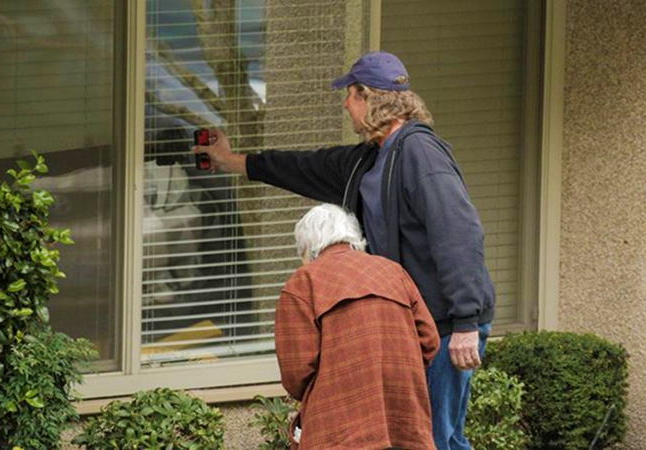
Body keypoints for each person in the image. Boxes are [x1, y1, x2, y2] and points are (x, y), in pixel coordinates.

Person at [194, 51, 496, 449]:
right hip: (413, 324)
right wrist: (229, 161)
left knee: (436, 438)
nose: (345, 104)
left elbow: (458, 233)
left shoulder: (421, 154)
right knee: (423, 437)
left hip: (443, 324)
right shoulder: (369, 160)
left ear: (369, 97)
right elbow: (302, 167)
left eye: (350, 95)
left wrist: (465, 324)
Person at [275, 204, 440, 449]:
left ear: (309, 248)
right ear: (353, 238)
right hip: (403, 417)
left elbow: (296, 372)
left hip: (339, 426)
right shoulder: (393, 271)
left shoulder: (304, 282)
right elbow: (429, 341)